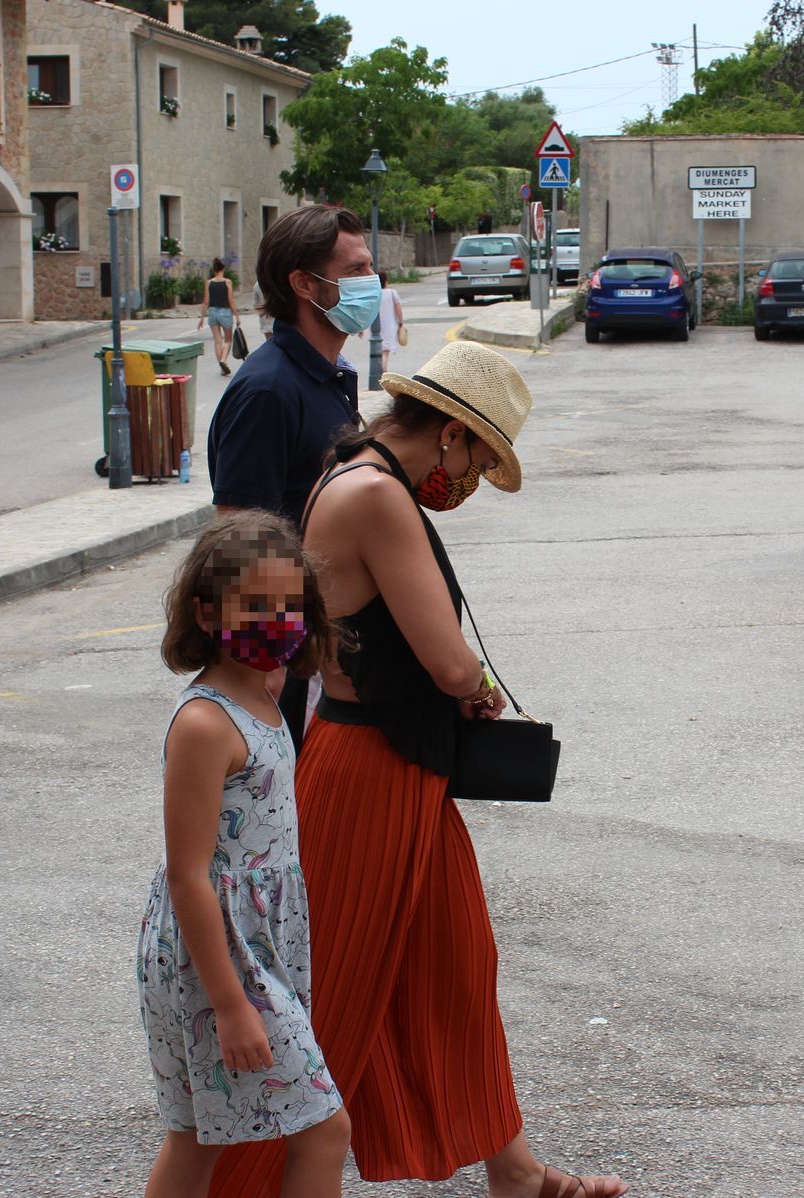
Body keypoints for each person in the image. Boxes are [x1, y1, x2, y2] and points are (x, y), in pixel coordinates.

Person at [208, 343, 628, 1198]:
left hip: (383, 759)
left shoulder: (351, 473)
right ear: (449, 434)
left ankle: (514, 1172)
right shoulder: (377, 496)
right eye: (477, 455)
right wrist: (478, 690)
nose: (470, 476)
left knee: (456, 969)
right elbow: (443, 660)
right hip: (372, 773)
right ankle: (233, 1182)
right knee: (333, 993)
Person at [137, 511, 351, 1198]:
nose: (277, 620)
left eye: (289, 605)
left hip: (260, 945)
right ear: (207, 612)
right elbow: (188, 873)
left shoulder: (266, 688)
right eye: (255, 606)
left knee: (198, 1136)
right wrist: (230, 1005)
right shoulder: (205, 723)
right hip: (218, 959)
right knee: (323, 1127)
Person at [206, 204, 379, 529]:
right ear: (303, 284)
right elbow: (240, 545)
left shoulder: (327, 373)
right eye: (356, 271)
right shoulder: (268, 391)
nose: (373, 281)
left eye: (371, 267)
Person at [199, 258, 241, 377]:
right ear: (223, 269)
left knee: (218, 341)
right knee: (228, 340)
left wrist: (202, 318)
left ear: (214, 270)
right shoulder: (227, 282)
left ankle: (222, 367)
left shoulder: (209, 283)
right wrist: (237, 315)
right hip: (225, 312)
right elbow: (231, 300)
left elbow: (206, 301)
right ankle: (223, 360)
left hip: (212, 312)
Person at [376, 270, 403, 373]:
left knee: (380, 348)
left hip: (377, 325)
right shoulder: (392, 293)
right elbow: (398, 309)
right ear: (386, 281)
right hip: (390, 324)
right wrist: (401, 322)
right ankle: (383, 370)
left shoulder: (376, 294)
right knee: (385, 350)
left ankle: (382, 369)